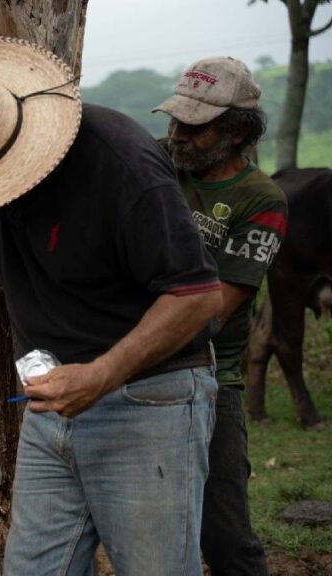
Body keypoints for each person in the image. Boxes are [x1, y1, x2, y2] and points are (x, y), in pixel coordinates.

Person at [0, 37, 222, 575]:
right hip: (49, 403)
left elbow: (197, 297)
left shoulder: (120, 163)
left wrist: (100, 375)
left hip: (148, 400)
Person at [153, 57, 286, 576]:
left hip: (208, 377)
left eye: (195, 127)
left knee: (225, 536)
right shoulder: (156, 160)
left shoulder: (260, 200)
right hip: (128, 366)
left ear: (236, 133)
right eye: (175, 121)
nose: (177, 135)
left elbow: (214, 311)